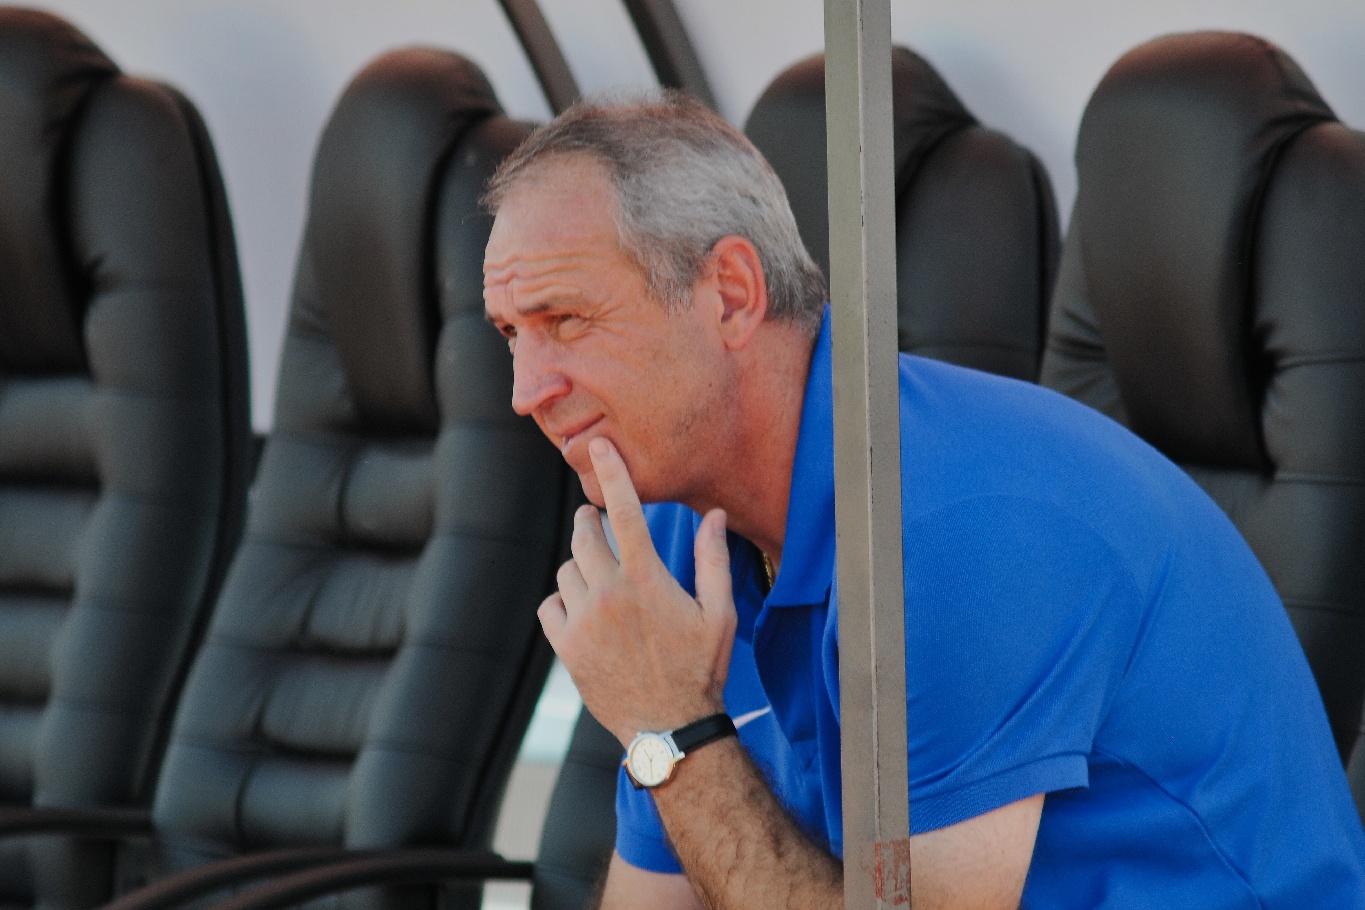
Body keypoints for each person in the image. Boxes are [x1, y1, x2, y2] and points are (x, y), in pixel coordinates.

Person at [480, 91, 1365, 909]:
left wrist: (673, 729)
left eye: (567, 320)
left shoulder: (961, 529)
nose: (525, 391)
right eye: (511, 334)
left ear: (732, 295)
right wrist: (667, 733)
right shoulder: (674, 523)